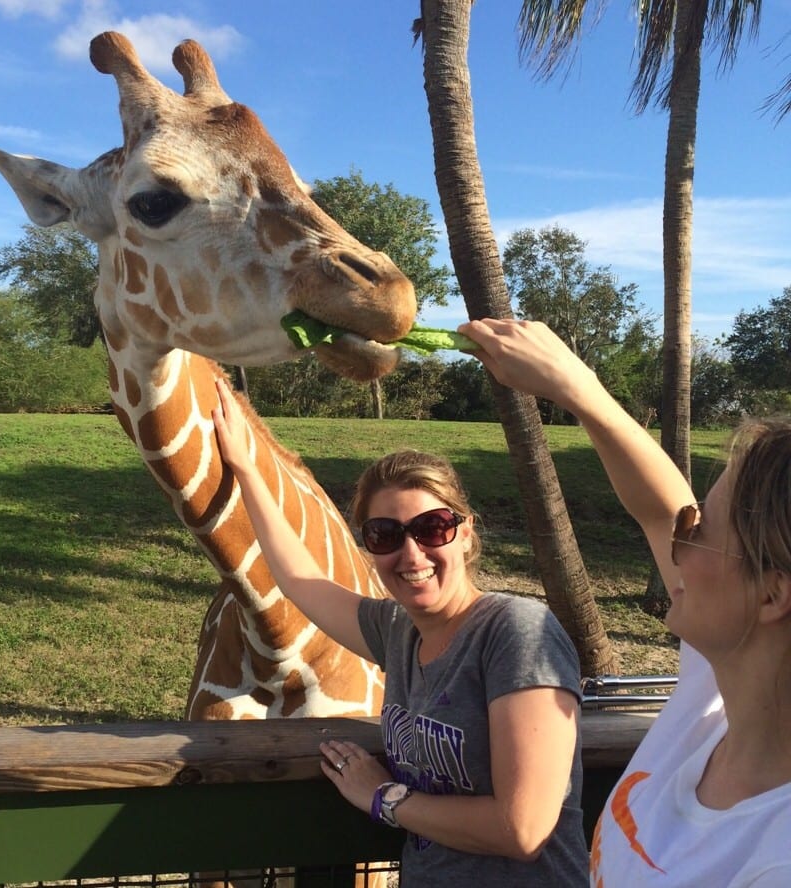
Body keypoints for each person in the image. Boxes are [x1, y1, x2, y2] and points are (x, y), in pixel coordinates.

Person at [212, 377, 588, 887]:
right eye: (385, 535)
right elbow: (300, 581)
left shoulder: (516, 632)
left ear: (465, 532)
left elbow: (522, 829)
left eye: (432, 528)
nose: (411, 554)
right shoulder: (398, 631)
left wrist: (385, 797)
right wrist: (247, 469)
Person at [460, 316, 791, 887]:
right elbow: (662, 507)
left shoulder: (774, 858)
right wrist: (573, 386)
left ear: (771, 593)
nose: (676, 548)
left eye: (699, 530)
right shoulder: (716, 698)